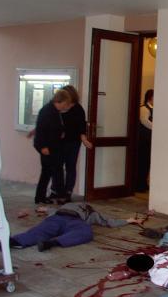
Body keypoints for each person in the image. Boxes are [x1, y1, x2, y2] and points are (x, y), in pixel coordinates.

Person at [9, 202, 142, 251]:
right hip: (61, 217)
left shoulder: (92, 212)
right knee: (43, 229)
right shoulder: (87, 210)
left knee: (85, 232)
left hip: (70, 220)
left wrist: (128, 220)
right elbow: (108, 222)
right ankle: (15, 241)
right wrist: (45, 209)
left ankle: (51, 243)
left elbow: (109, 221)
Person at [33, 89, 71, 204]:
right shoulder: (47, 111)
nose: (66, 106)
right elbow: (41, 130)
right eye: (65, 103)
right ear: (60, 101)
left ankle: (41, 197)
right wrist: (43, 146)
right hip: (48, 147)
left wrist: (61, 131)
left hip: (54, 146)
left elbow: (56, 127)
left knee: (50, 172)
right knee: (53, 172)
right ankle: (59, 196)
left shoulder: (54, 111)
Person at [57, 85, 92, 202]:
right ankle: (56, 190)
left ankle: (68, 192)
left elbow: (82, 126)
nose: (68, 105)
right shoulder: (57, 108)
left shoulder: (78, 109)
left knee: (70, 166)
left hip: (73, 142)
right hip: (59, 142)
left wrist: (84, 139)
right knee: (57, 166)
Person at [136, 89, 154, 192]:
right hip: (144, 138)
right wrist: (157, 127)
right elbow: (144, 121)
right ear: (150, 97)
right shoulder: (144, 108)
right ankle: (139, 185)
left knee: (147, 161)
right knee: (142, 161)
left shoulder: (152, 108)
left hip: (150, 138)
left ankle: (144, 183)